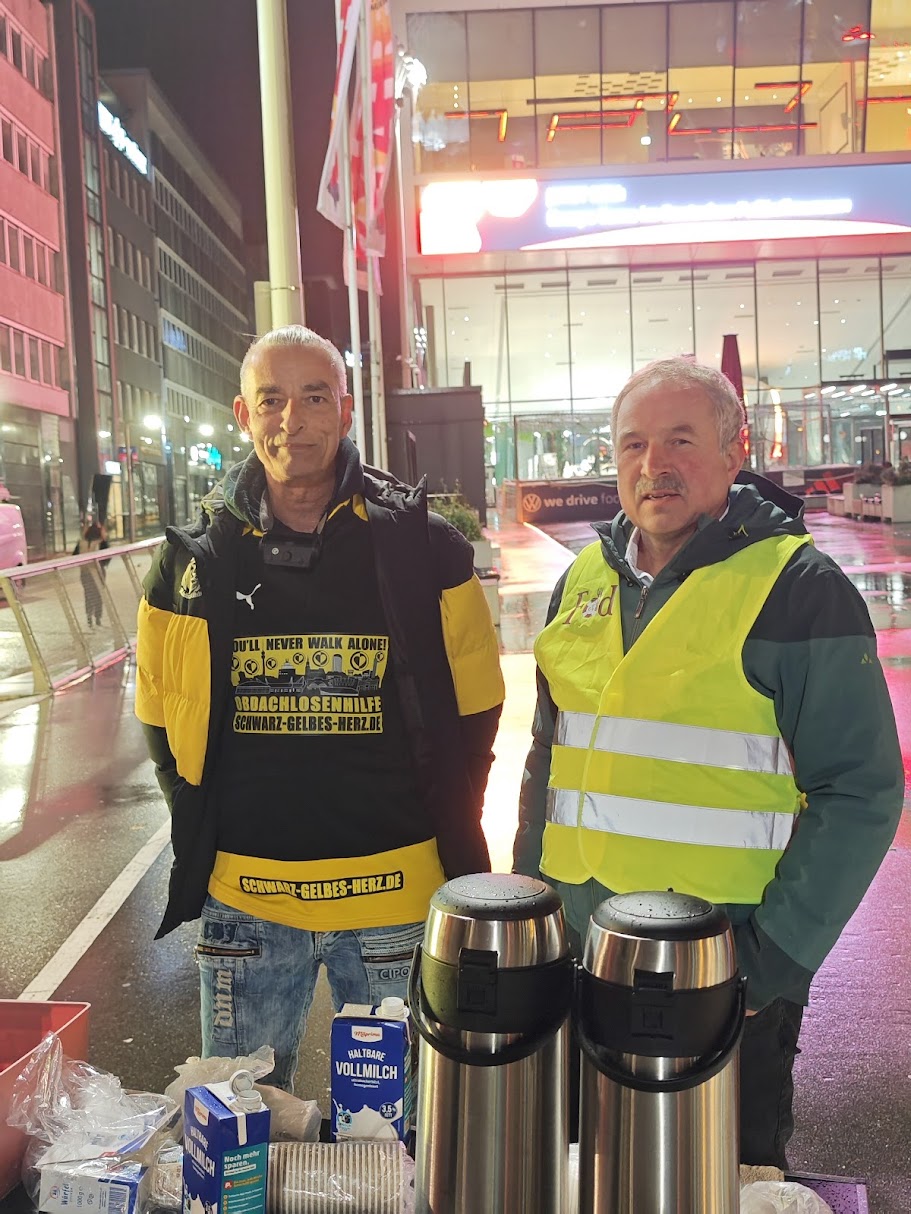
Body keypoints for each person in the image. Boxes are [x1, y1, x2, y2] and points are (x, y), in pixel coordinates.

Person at [513, 357, 903, 1168]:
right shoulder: (584, 579)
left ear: (734, 452)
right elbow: (550, 757)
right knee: (589, 1168)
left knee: (721, 1177)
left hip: (721, 968)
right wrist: (532, 912)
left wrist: (770, 968)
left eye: (679, 441)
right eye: (631, 446)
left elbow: (859, 791)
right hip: (584, 950)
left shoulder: (796, 587)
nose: (652, 466)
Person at [136, 325, 505, 1090]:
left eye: (312, 398)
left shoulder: (426, 549)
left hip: (392, 896)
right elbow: (160, 720)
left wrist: (442, 824)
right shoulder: (190, 560)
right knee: (240, 1131)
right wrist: (202, 827)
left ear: (343, 412)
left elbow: (478, 712)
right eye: (271, 400)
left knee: (390, 1139)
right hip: (244, 896)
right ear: (243, 414)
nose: (291, 420)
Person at [74, 521, 109, 628]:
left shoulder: (81, 543)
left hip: (84, 573)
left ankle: (89, 617)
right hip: (98, 572)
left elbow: (74, 556)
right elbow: (107, 559)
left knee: (88, 594)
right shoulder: (101, 543)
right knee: (98, 595)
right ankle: (98, 618)